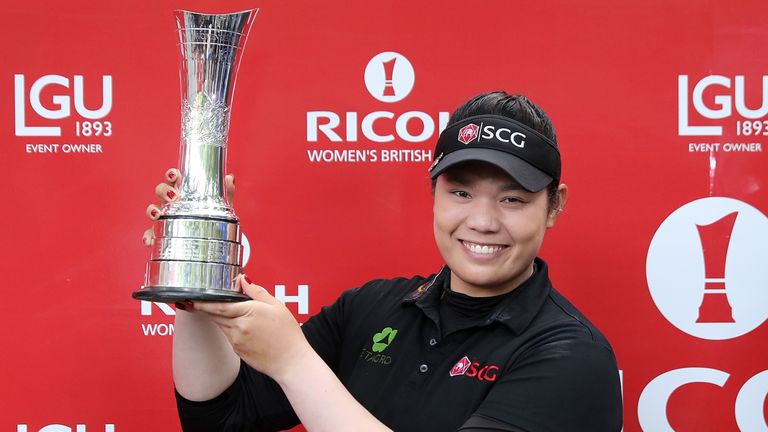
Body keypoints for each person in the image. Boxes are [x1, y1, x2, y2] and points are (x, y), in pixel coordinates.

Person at [144, 91, 623, 431]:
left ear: (554, 205)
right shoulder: (372, 307)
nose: (482, 221)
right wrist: (198, 280)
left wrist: (293, 361)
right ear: (433, 194)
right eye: (460, 192)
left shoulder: (573, 357)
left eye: (512, 200)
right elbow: (222, 417)